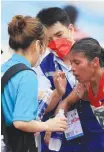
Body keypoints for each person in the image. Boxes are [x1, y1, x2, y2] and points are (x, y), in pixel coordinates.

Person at [36, 7, 104, 152]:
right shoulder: (42, 68)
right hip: (61, 142)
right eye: (49, 40)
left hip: (97, 136)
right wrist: (58, 93)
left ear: (70, 29)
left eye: (59, 35)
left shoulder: (94, 53)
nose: (56, 42)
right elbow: (43, 108)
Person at [1, 15, 67, 152]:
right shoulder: (27, 75)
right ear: (37, 45)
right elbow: (21, 122)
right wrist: (49, 125)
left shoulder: (5, 68)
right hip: (18, 145)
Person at [54, 37, 104, 152]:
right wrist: (55, 128)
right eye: (71, 63)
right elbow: (65, 103)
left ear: (95, 62)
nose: (72, 69)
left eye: (77, 62)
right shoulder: (86, 85)